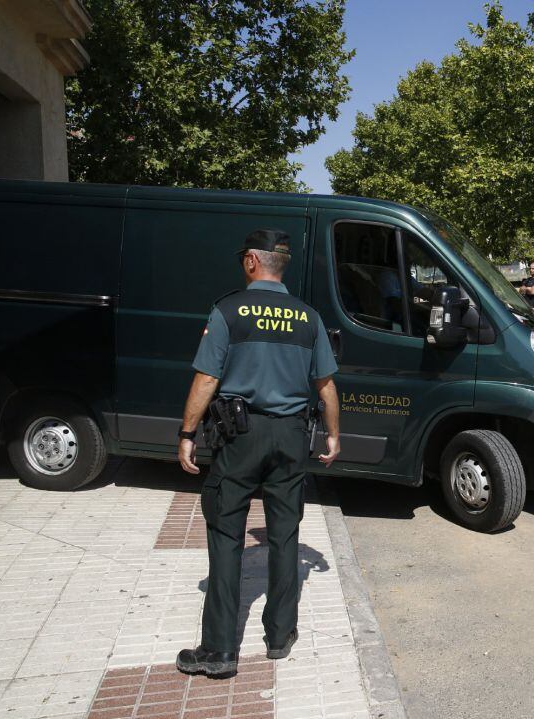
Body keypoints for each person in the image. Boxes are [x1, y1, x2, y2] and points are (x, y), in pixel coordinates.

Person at [175, 229, 341, 677]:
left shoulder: (228, 310)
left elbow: (207, 379)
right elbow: (325, 385)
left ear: (252, 260)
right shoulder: (308, 317)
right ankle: (280, 635)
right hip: (290, 437)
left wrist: (187, 431)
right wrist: (333, 435)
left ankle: (219, 650)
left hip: (240, 438)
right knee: (284, 534)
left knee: (226, 537)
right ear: (280, 264)